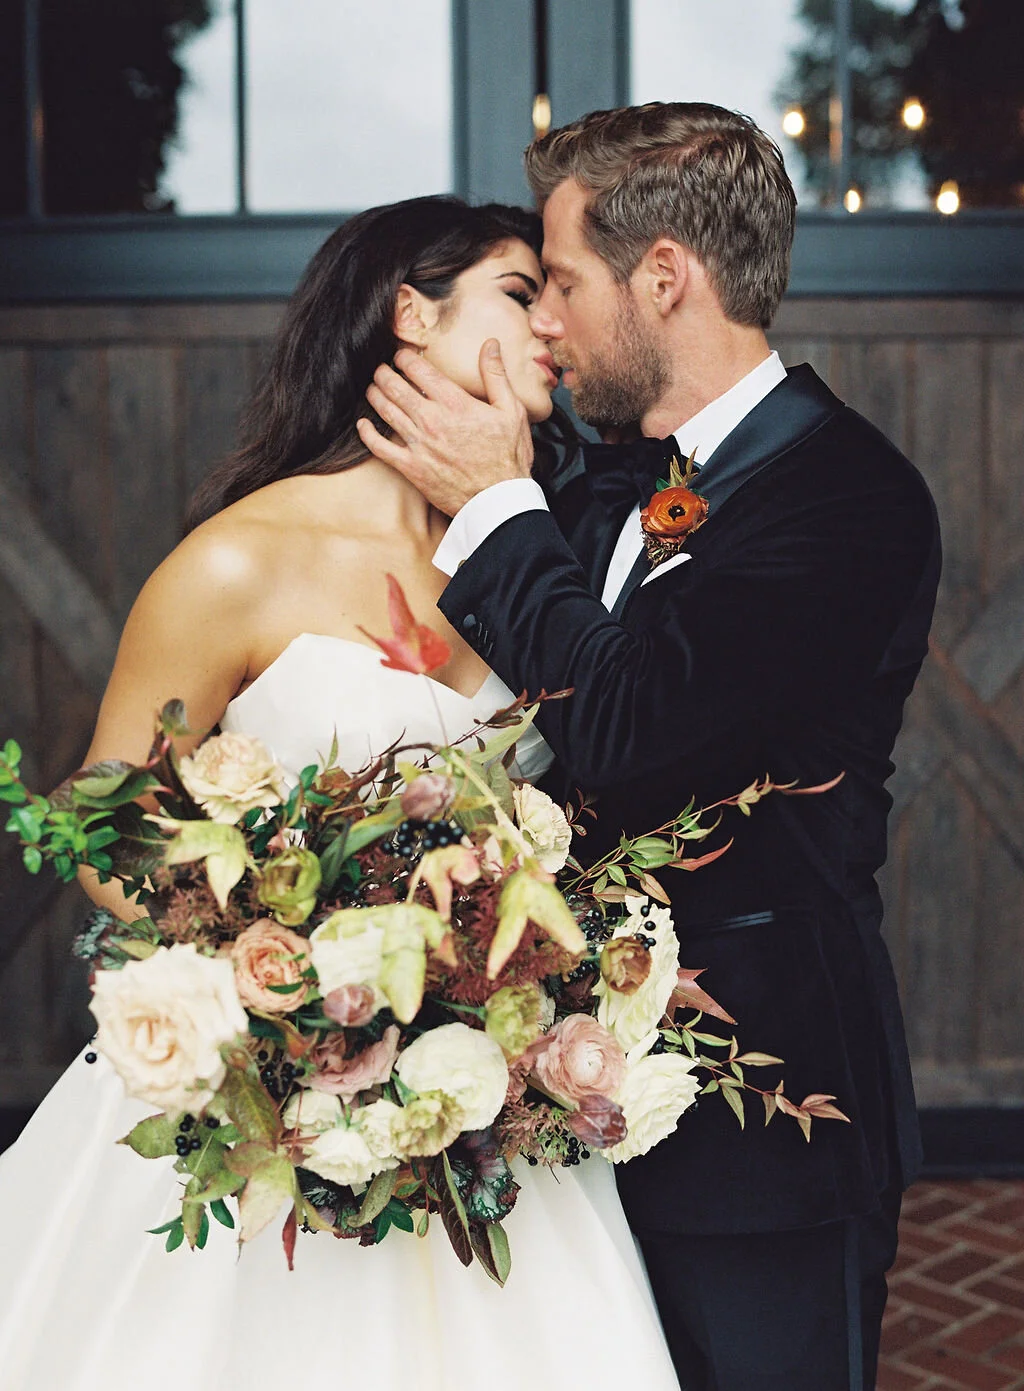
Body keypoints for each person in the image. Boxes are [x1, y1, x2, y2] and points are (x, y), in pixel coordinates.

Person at [0, 196, 680, 1391]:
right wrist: (270, 978)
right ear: (410, 313)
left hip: (472, 1109)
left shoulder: (525, 561)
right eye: (519, 293)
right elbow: (97, 813)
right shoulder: (239, 558)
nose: (550, 326)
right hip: (265, 1099)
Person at [358, 104, 942, 1391]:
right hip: (560, 1118)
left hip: (764, 1126)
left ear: (663, 276)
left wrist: (496, 501)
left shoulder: (848, 496)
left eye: (563, 283)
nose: (548, 325)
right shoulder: (599, 482)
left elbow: (630, 731)